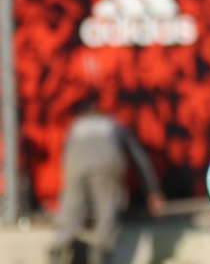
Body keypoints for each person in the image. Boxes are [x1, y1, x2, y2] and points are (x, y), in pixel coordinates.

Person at [49, 94, 166, 264]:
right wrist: (153, 191)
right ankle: (101, 254)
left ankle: (59, 250)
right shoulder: (112, 123)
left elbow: (65, 157)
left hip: (75, 165)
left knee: (71, 212)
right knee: (107, 213)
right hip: (106, 164)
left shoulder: (75, 125)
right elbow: (138, 157)